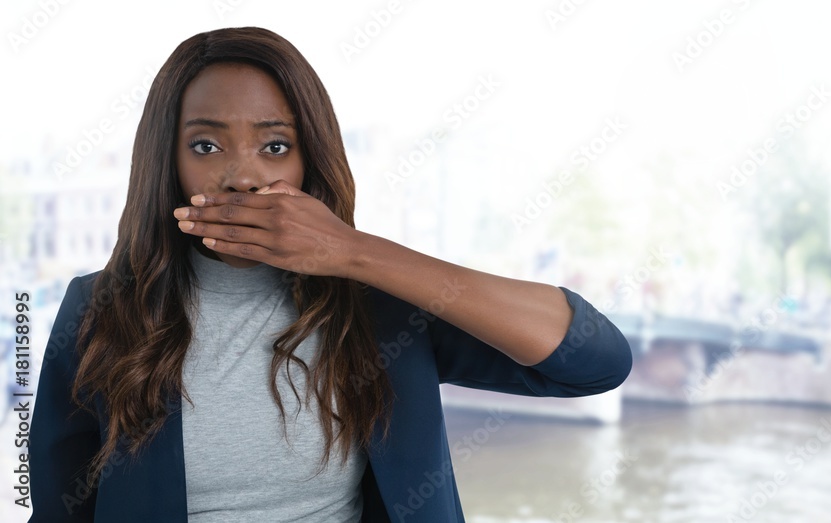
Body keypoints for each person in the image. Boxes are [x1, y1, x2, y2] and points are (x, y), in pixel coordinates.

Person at [28, 27, 632, 522]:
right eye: (206, 147)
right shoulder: (100, 309)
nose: (242, 178)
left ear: (311, 159)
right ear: (168, 163)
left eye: (274, 147)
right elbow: (55, 509)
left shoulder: (381, 305)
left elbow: (595, 360)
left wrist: (352, 252)